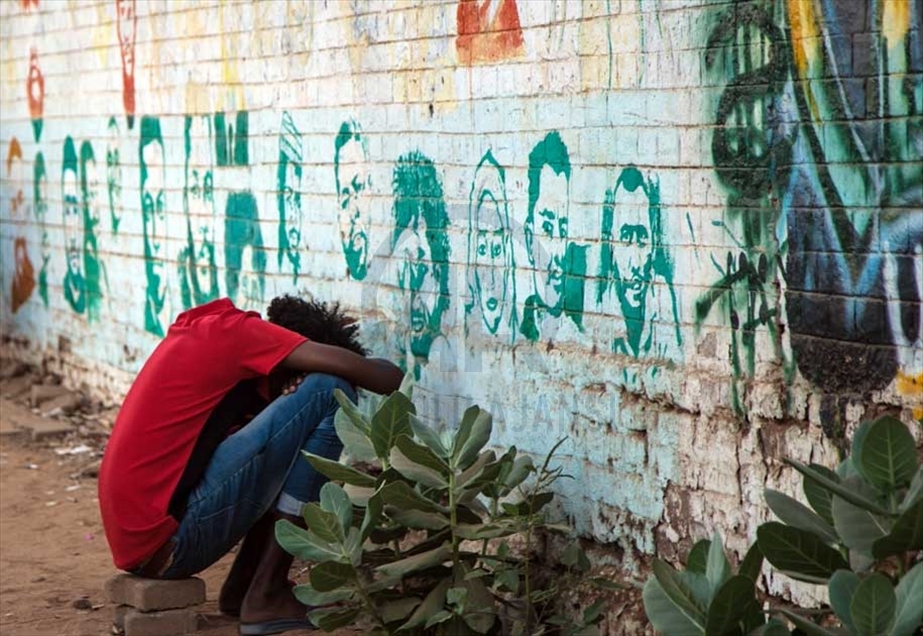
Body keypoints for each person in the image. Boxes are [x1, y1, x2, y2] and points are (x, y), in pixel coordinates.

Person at [98, 295, 403, 635]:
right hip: (168, 542)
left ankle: (244, 587)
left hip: (144, 543)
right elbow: (388, 378)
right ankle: (266, 593)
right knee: (329, 389)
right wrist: (324, 368)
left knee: (286, 438)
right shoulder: (241, 334)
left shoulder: (207, 332)